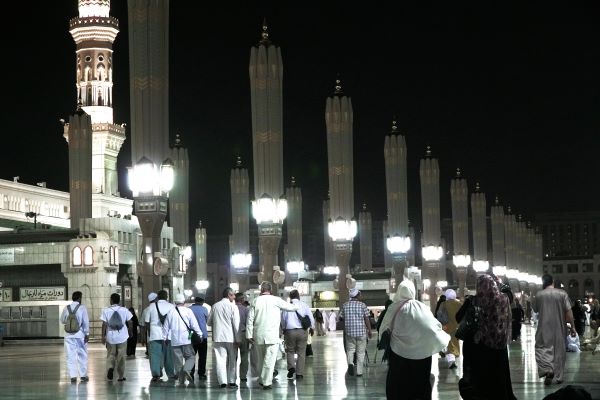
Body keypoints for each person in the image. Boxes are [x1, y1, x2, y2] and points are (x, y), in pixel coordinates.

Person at [379, 279, 450, 400]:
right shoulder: (422, 307)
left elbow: (382, 330)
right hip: (422, 354)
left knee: (399, 386)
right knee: (421, 385)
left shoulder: (393, 308)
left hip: (399, 354)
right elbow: (434, 327)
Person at [457, 274, 516, 400]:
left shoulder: (474, 300)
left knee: (483, 381)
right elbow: (510, 293)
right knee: (500, 377)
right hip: (500, 347)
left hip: (481, 346)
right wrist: (499, 283)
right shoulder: (504, 299)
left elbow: (458, 317)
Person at [246, 281, 299, 389]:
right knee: (269, 360)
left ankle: (262, 380)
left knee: (260, 359)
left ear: (261, 290)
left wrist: (249, 334)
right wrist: (297, 303)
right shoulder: (276, 300)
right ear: (271, 290)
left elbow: (250, 319)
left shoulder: (255, 301)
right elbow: (291, 307)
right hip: (272, 336)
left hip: (258, 335)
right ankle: (266, 382)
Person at [533, 274, 575, 386]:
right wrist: (573, 327)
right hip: (559, 328)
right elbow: (569, 312)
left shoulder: (538, 295)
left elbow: (535, 310)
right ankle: (558, 377)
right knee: (559, 352)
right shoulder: (562, 293)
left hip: (543, 328)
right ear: (552, 282)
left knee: (541, 349)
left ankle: (548, 369)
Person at [164, 293, 201, 385]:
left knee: (178, 361)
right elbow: (194, 325)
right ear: (184, 302)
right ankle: (187, 369)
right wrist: (199, 334)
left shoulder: (171, 312)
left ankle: (181, 381)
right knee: (191, 356)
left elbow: (166, 327)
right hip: (187, 338)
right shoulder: (188, 311)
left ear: (175, 302)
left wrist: (164, 338)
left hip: (174, 340)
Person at [208, 287, 240, 388]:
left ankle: (222, 382)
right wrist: (238, 339)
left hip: (218, 338)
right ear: (229, 295)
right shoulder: (233, 307)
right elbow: (236, 324)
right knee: (232, 360)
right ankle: (232, 381)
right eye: (233, 295)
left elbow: (208, 322)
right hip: (231, 338)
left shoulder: (215, 306)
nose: (234, 297)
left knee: (220, 360)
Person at [281, 289, 315, 380]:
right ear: (298, 296)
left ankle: (291, 367)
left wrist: (284, 329)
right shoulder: (304, 305)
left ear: (290, 297)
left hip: (290, 331)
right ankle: (299, 373)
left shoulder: (286, 306)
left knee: (290, 351)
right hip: (302, 331)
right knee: (301, 352)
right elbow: (311, 318)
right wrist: (312, 328)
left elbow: (283, 320)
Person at [338, 288, 372, 377]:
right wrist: (369, 330)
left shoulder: (345, 305)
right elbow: (367, 318)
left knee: (350, 350)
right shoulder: (362, 305)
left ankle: (350, 363)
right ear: (357, 295)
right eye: (360, 294)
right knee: (360, 352)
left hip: (349, 332)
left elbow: (340, 318)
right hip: (361, 332)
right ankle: (359, 372)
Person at [100, 293, 133, 382]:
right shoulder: (124, 310)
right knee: (121, 356)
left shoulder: (106, 311)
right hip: (122, 336)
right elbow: (130, 322)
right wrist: (130, 332)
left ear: (111, 300)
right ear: (119, 300)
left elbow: (104, 324)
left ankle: (110, 368)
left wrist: (103, 336)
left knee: (111, 354)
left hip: (110, 336)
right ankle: (121, 376)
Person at [145, 289, 176, 382]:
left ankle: (156, 374)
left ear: (157, 297)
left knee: (155, 355)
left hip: (155, 334)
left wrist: (149, 333)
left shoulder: (151, 306)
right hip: (168, 335)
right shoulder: (172, 306)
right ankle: (171, 373)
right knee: (169, 356)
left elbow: (147, 322)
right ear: (167, 297)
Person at [60, 291, 90, 383]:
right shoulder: (82, 308)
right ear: (80, 298)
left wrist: (70, 323)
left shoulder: (67, 308)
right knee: (82, 355)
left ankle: (73, 376)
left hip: (68, 336)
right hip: (80, 335)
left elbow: (62, 320)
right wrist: (87, 334)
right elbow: (85, 322)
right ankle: (83, 376)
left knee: (70, 356)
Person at [438, 289, 461, 369]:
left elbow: (439, 315)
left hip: (446, 327)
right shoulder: (459, 304)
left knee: (448, 343)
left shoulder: (443, 304)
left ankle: (451, 360)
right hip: (457, 327)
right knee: (455, 343)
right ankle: (453, 358)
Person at [190, 296, 209, 380]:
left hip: (191, 335)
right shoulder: (204, 309)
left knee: (191, 355)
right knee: (202, 355)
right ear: (203, 301)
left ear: (195, 301)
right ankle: (201, 373)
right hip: (203, 335)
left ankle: (191, 372)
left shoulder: (189, 309)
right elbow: (207, 321)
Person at [234, 292, 250, 382]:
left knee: (233, 356)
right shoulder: (246, 309)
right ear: (242, 300)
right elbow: (249, 323)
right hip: (243, 334)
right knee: (244, 356)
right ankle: (243, 376)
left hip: (233, 334)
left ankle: (233, 376)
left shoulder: (232, 308)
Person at [139, 292, 157, 359]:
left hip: (149, 338)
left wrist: (142, 338)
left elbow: (142, 326)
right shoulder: (161, 309)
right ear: (156, 299)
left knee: (152, 356)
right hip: (161, 337)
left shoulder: (146, 310)